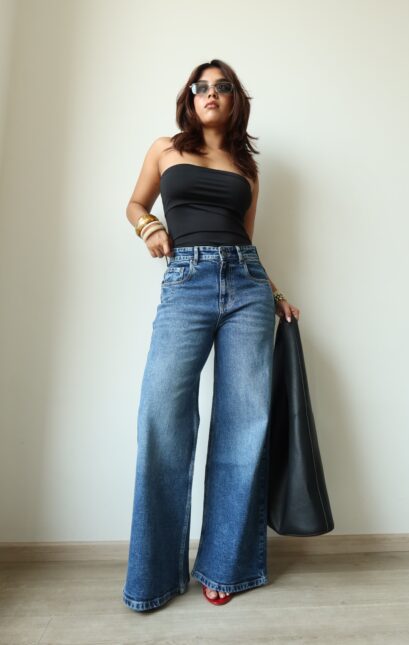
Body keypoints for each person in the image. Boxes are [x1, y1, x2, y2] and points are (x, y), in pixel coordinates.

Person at [122, 59, 300, 612]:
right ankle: (153, 576)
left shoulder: (247, 169)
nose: (211, 93)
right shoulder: (165, 149)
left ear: (234, 99)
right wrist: (150, 226)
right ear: (190, 97)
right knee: (161, 416)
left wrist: (274, 292)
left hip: (247, 287)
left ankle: (227, 566)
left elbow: (247, 241)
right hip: (187, 282)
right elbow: (134, 203)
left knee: (244, 426)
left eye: (222, 86)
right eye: (202, 86)